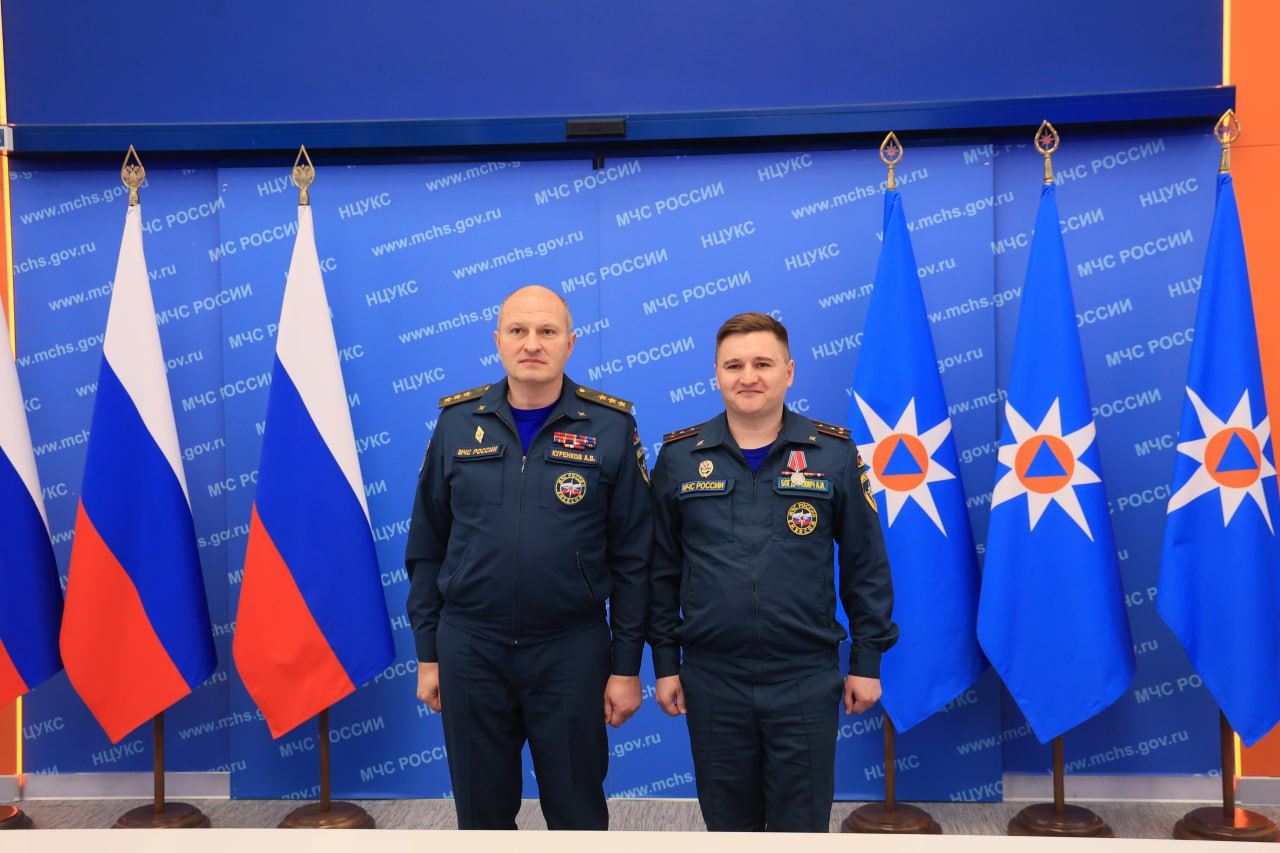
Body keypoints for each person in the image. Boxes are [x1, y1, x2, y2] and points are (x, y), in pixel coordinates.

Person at [404, 285, 652, 830]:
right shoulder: (455, 423)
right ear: (498, 340)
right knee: (481, 817)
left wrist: (626, 666)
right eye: (518, 330)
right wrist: (428, 654)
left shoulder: (610, 427)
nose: (532, 343)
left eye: (547, 331)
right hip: (470, 648)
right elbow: (427, 547)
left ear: (570, 343)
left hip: (570, 650)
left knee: (578, 813)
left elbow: (636, 559)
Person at [649, 312, 899, 832]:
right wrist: (667, 663)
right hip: (712, 678)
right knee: (728, 828)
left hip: (804, 677)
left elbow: (866, 566)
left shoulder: (833, 454)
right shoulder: (679, 458)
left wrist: (867, 661)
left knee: (801, 828)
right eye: (734, 365)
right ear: (716, 375)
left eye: (763, 363)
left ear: (789, 371)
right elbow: (660, 571)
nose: (748, 377)